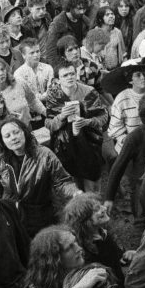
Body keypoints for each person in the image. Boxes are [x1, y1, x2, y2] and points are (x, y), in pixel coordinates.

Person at [0, 116, 80, 236]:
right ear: (2, 141)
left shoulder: (44, 155)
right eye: (7, 136)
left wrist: (75, 193)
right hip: (12, 219)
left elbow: (62, 181)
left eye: (16, 132)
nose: (13, 138)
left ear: (25, 133)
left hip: (42, 216)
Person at [45, 62, 107, 191]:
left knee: (91, 178)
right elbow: (49, 124)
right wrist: (61, 116)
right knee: (73, 181)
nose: (69, 77)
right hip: (65, 145)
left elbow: (103, 118)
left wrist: (88, 122)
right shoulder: (53, 95)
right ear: (57, 80)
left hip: (89, 143)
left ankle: (93, 204)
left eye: (72, 73)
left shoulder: (89, 92)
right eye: (65, 75)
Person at [62, 193, 135, 288]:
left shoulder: (103, 234)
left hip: (120, 287)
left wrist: (125, 255)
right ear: (85, 220)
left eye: (101, 205)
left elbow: (115, 257)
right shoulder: (83, 250)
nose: (104, 208)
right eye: (96, 210)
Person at [18, 226, 113, 288]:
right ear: (54, 259)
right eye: (69, 248)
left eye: (75, 242)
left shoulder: (89, 274)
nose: (79, 248)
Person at [0, 54, 46, 127]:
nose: (1, 73)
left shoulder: (19, 82)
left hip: (27, 127)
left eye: (2, 69)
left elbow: (33, 100)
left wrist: (47, 113)